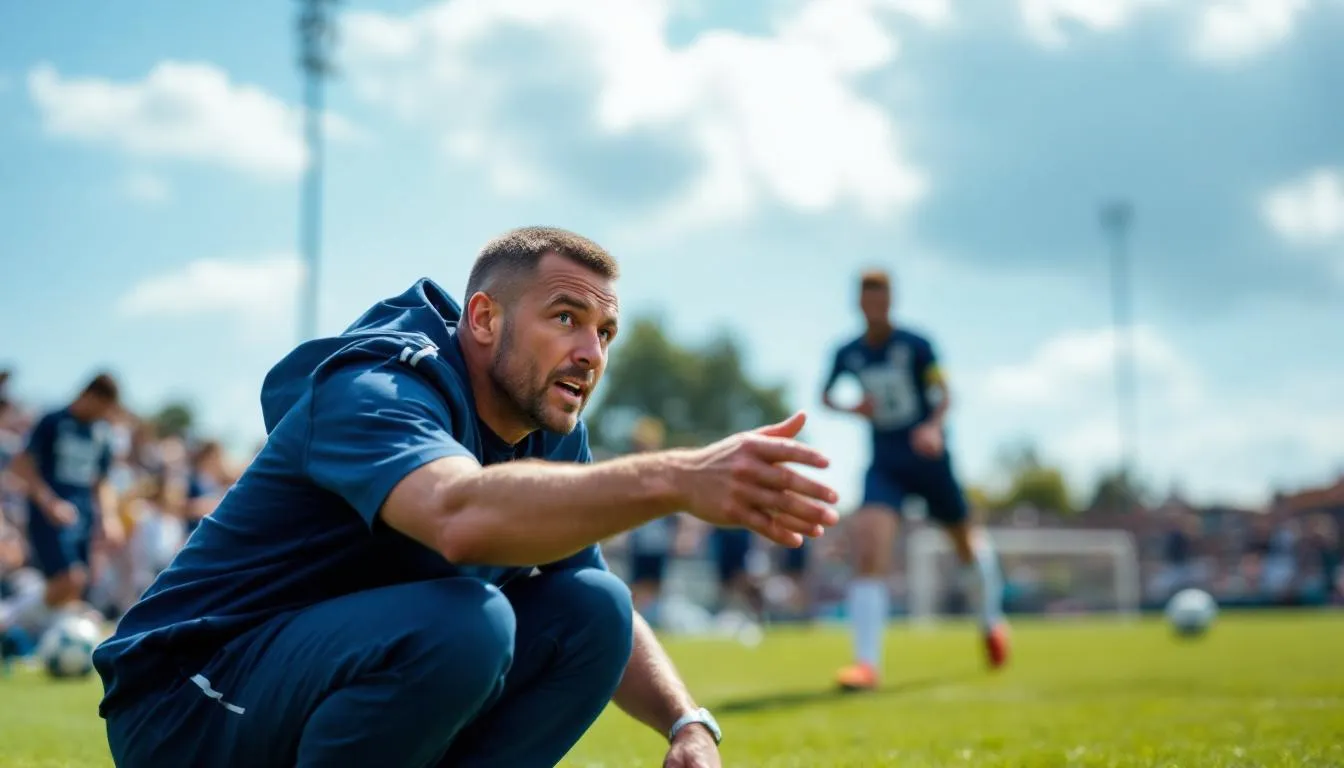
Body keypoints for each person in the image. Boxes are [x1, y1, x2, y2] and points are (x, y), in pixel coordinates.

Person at [93, 227, 840, 768]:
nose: (593, 353)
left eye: (607, 331)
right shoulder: (378, 388)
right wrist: (675, 478)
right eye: (566, 318)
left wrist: (688, 722)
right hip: (186, 704)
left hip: (307, 685)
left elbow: (592, 595)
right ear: (483, 319)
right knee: (466, 624)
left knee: (594, 611)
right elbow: (459, 516)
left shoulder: (545, 426)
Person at [822, 269, 1008, 692]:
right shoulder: (848, 352)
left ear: (891, 301)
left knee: (965, 543)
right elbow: (825, 395)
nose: (875, 306)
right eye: (868, 298)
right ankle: (866, 664)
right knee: (869, 546)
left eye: (882, 298)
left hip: (928, 458)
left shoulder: (917, 345)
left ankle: (991, 622)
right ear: (859, 303)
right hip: (885, 461)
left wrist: (932, 427)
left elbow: (945, 394)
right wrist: (854, 408)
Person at [6, 372, 124, 635]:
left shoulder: (101, 432)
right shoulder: (53, 421)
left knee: (76, 586)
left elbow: (102, 481)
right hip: (49, 514)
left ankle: (41, 639)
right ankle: (9, 621)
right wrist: (49, 502)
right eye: (102, 406)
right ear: (90, 396)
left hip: (83, 515)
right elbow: (22, 464)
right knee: (69, 578)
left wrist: (108, 517)